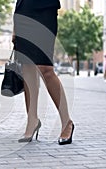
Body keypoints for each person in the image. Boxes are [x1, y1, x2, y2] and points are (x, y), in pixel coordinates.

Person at [13, 0, 74, 145]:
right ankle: (32, 120)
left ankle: (67, 123)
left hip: (45, 11)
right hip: (23, 11)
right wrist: (14, 27)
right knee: (27, 66)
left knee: (45, 68)